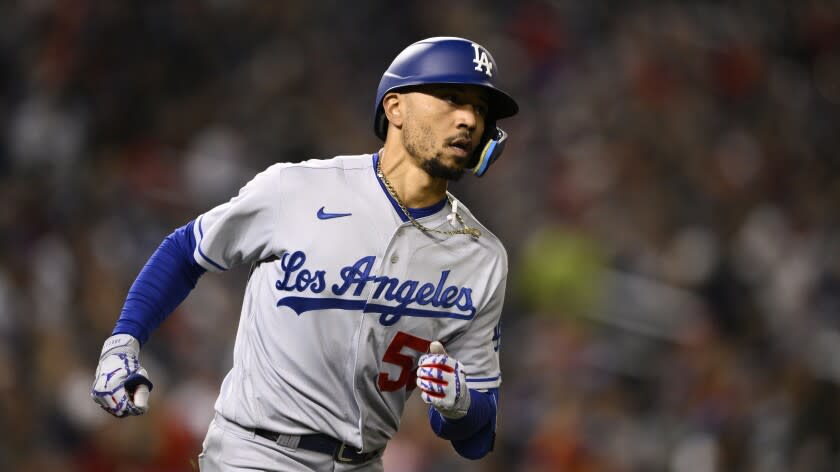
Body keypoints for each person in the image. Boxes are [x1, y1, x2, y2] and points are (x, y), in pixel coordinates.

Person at [91, 36, 519, 471]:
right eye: (452, 98)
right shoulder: (297, 188)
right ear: (395, 108)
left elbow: (476, 440)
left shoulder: (481, 256)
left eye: (481, 109)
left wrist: (459, 404)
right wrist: (124, 339)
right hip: (256, 453)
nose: (468, 118)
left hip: (364, 463)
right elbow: (187, 249)